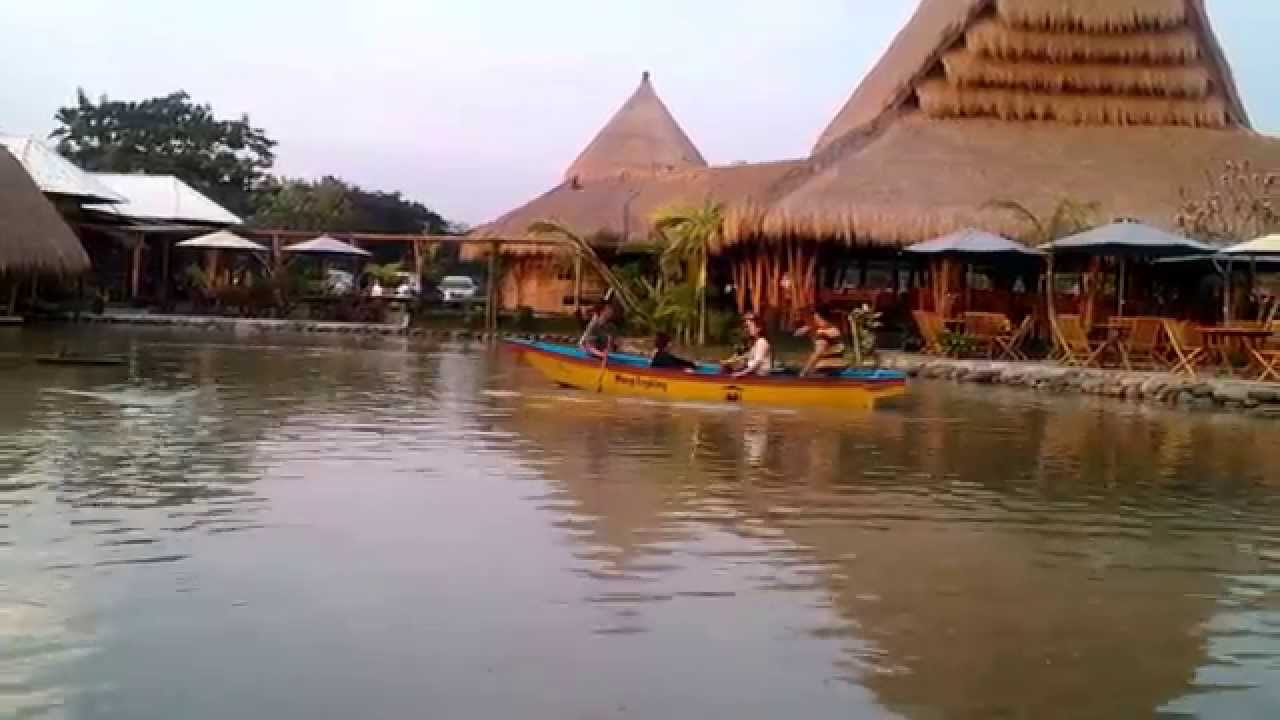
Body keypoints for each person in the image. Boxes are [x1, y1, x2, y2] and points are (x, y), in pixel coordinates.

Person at [797, 305, 849, 377]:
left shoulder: (823, 333)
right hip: (839, 368)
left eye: (816, 318)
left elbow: (818, 353)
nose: (815, 321)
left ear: (821, 318)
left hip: (826, 371)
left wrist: (803, 372)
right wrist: (808, 327)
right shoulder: (835, 329)